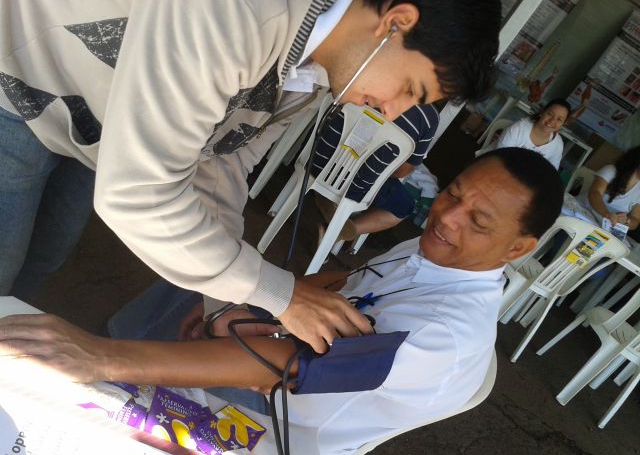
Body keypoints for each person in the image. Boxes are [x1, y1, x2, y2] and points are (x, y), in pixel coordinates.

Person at [0, 0, 502, 354]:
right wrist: (283, 295)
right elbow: (136, 194)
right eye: (411, 89)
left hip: (99, 122)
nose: (392, 112)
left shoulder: (313, 68)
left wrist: (226, 299)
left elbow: (221, 163)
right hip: (20, 81)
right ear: (397, 22)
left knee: (42, 256)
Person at [0, 148, 565, 454]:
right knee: (208, 279)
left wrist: (102, 357)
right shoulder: (435, 256)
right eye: (453, 193)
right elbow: (345, 283)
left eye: (477, 221)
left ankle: (109, 356)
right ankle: (116, 355)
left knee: (69, 401)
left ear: (519, 248)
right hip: (266, 378)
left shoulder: (446, 333)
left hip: (270, 429)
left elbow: (281, 368)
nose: (446, 217)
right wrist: (247, 305)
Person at [312, 104, 439, 243]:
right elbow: (402, 171)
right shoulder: (428, 117)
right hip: (353, 187)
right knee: (404, 205)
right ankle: (334, 232)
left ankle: (328, 199)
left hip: (317, 160)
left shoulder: (374, 89)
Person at [484, 99, 571, 169]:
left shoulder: (557, 144)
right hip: (492, 165)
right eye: (550, 114)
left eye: (559, 119)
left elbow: (551, 171)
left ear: (563, 123)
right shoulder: (519, 128)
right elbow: (500, 157)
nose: (552, 121)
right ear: (542, 112)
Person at [585, 146, 640, 230]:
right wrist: (606, 213)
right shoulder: (611, 170)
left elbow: (635, 220)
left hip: (603, 227)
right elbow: (594, 194)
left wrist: (626, 221)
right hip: (584, 213)